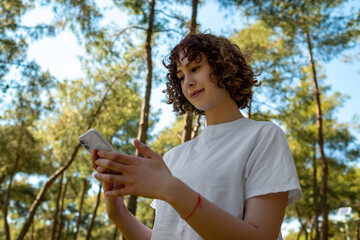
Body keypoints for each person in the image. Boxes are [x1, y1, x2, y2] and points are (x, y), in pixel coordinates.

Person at [91, 33, 302, 240]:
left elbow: (261, 236)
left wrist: (171, 189)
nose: (188, 82)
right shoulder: (173, 157)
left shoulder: (263, 136)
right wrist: (118, 214)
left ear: (222, 67)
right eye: (181, 77)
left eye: (195, 68)